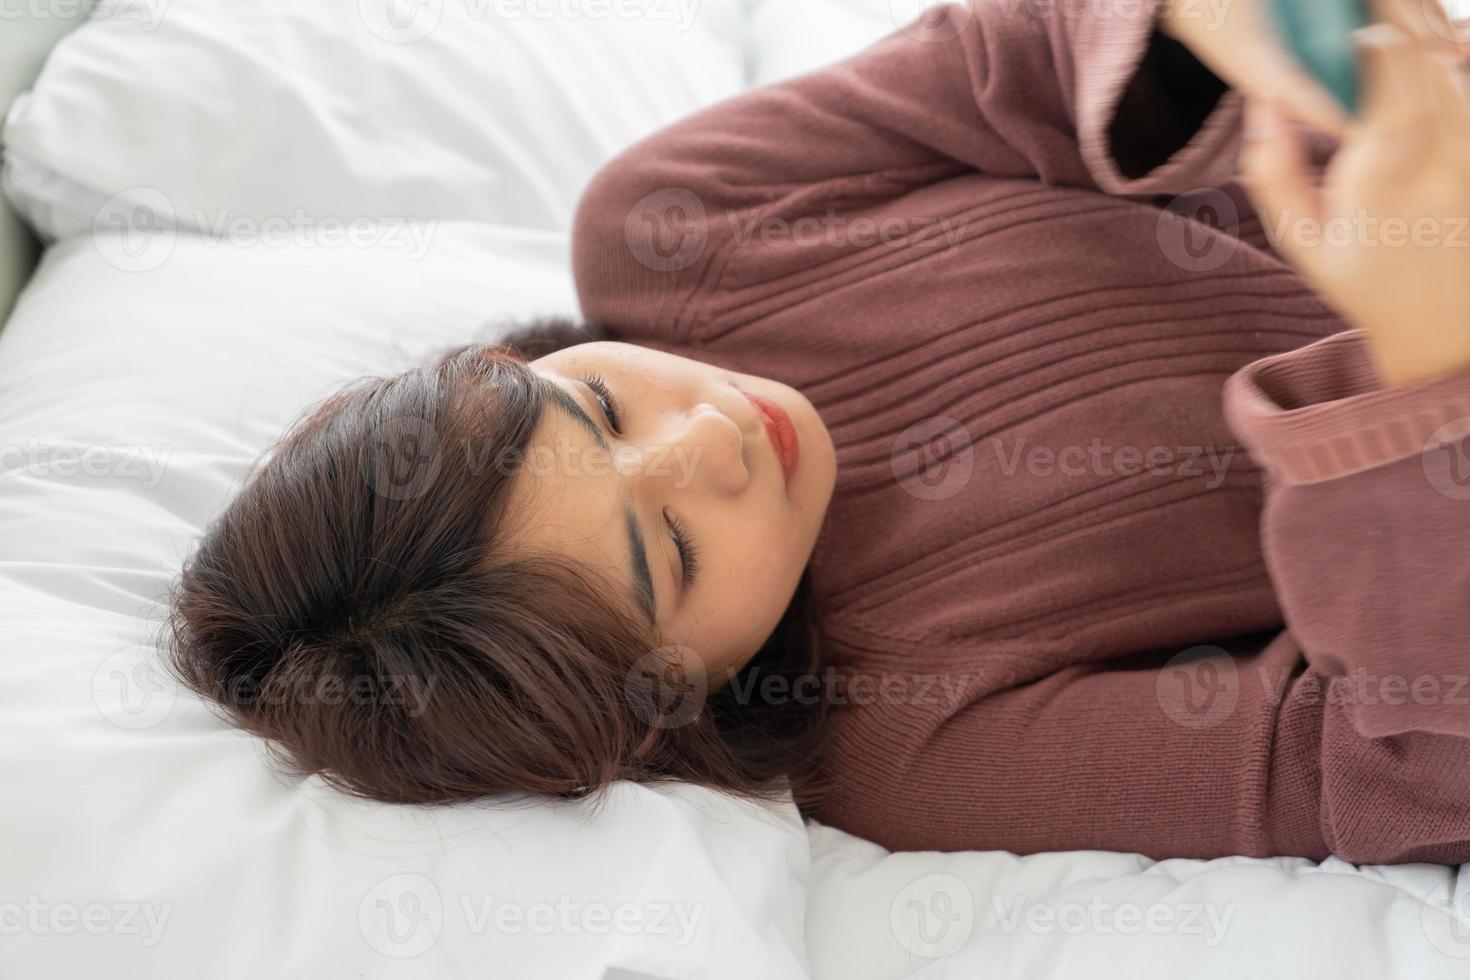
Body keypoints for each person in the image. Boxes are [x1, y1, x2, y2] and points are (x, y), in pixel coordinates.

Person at [169, 0, 1470, 863]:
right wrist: (1424, 366)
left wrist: (1209, 37)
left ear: (516, 362)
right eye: (667, 552)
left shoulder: (681, 222)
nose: (712, 440)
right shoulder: (915, 743)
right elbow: (1394, 773)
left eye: (599, 405)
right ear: (659, 703)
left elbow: (1009, 56)